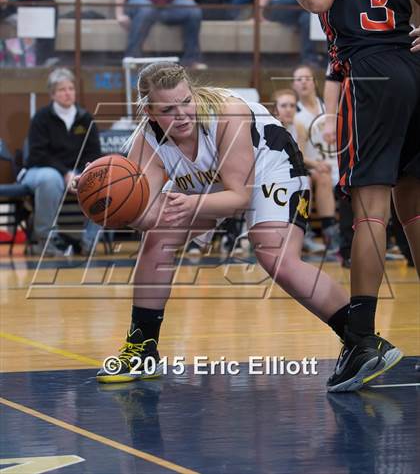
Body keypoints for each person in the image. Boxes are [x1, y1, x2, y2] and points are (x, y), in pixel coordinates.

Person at [92, 61, 398, 392]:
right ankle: (142, 348)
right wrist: (107, 204)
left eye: (186, 101)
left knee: (275, 256)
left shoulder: (227, 113)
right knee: (159, 236)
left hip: (271, 163)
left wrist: (190, 204)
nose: (181, 114)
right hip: (218, 184)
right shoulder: (146, 143)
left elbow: (239, 196)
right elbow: (146, 216)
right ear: (150, 112)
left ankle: (361, 340)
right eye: (168, 108)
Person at [282, 0, 420, 391]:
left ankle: (361, 339)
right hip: (410, 74)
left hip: (369, 77)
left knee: (370, 212)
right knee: (415, 210)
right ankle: (362, 338)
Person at [21, 68, 102, 256]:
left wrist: (83, 174)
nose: (68, 93)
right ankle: (45, 241)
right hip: (40, 170)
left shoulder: (85, 118)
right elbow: (38, 154)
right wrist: (65, 173)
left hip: (77, 172)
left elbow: (94, 154)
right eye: (62, 89)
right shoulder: (41, 118)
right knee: (51, 179)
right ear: (52, 94)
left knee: (103, 180)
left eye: (71, 88)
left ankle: (88, 241)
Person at [291, 65, 340, 253]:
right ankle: (328, 235)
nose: (303, 82)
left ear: (314, 82)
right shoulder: (295, 114)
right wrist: (317, 164)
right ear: (293, 85)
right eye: (298, 79)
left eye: (307, 78)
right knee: (320, 177)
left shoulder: (328, 106)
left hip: (339, 164)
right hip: (313, 166)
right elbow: (298, 155)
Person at [273, 88, 325, 255]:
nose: (288, 109)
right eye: (284, 105)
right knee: (302, 180)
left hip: (292, 171)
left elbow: (299, 157)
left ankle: (304, 234)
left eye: (292, 105)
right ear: (275, 109)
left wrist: (316, 164)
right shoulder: (269, 127)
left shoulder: (299, 127)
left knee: (305, 180)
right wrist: (316, 164)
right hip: (272, 173)